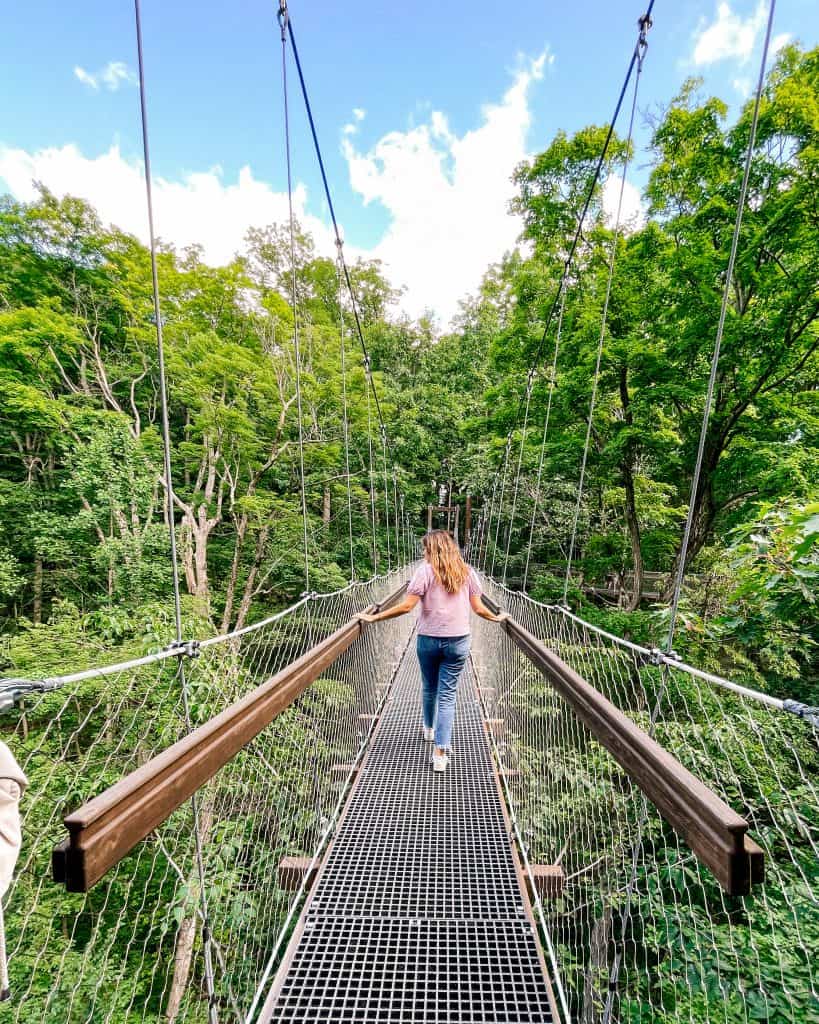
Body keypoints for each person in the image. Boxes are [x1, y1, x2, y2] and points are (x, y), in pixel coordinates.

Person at [356, 531, 505, 773]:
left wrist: (373, 618)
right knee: (447, 696)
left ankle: (428, 729)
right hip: (458, 642)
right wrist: (498, 617)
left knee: (429, 686)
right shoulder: (467, 573)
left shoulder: (424, 572)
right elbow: (479, 609)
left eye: (425, 549)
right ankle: (440, 753)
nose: (423, 554)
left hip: (428, 641)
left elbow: (406, 607)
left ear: (432, 550)